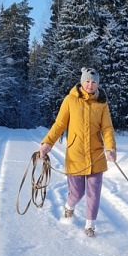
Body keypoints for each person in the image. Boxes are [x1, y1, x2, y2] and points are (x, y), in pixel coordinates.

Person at [39, 67, 117, 237]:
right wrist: (47, 144)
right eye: (87, 81)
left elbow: (107, 128)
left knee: (94, 193)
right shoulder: (70, 100)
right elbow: (59, 124)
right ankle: (69, 207)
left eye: (94, 81)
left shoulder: (101, 103)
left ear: (98, 84)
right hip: (75, 154)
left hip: (96, 154)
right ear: (82, 82)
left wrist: (110, 148)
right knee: (77, 193)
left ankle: (90, 225)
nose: (90, 85)